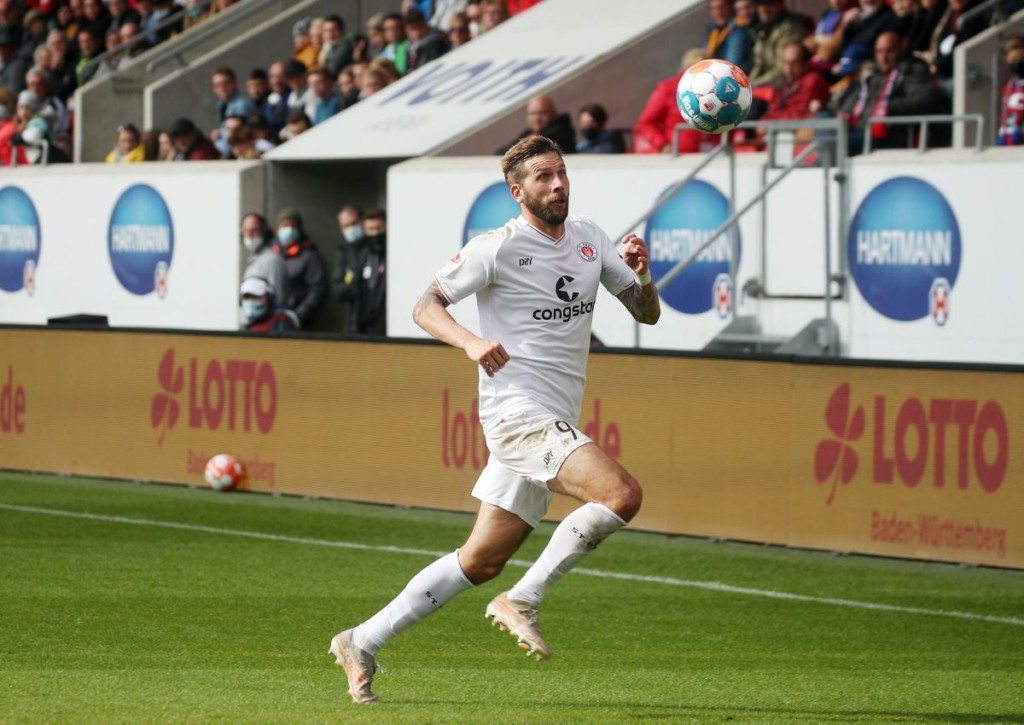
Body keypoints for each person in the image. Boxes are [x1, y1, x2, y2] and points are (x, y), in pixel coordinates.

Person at [328, 135, 660, 705]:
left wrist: (643, 275)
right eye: (543, 178)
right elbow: (425, 305)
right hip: (517, 415)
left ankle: (361, 640)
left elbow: (646, 314)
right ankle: (523, 600)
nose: (557, 185)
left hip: (551, 416)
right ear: (518, 191)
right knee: (620, 494)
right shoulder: (498, 247)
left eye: (561, 173)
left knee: (480, 561)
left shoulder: (589, 238)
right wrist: (471, 342)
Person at [828, 30, 948, 154]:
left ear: (901, 49)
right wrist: (846, 112)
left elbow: (925, 100)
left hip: (892, 135)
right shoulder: (873, 75)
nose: (883, 57)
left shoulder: (913, 71)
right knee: (825, 124)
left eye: (889, 51)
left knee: (840, 144)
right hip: (862, 129)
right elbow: (855, 99)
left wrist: (888, 106)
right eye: (879, 52)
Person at [633, 49, 718, 154]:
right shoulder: (667, 88)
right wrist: (663, 145)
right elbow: (646, 123)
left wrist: (720, 143)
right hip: (678, 156)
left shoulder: (717, 90)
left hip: (712, 156)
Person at [272, 207, 329, 329]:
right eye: (284, 225)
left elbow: (318, 288)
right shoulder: (272, 255)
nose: (289, 230)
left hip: (299, 322)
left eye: (293, 226)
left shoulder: (309, 256)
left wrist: (298, 315)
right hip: (273, 321)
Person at [747, 0, 814, 88]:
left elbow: (782, 71)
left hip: (785, 87)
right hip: (764, 86)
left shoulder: (790, 27)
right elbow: (758, 65)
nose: (764, 9)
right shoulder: (764, 26)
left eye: (769, 3)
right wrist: (746, 85)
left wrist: (751, 86)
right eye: (760, 4)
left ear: (781, 4)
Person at [496, 94, 576, 155]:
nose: (537, 118)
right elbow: (503, 152)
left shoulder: (562, 133)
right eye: (532, 114)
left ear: (553, 113)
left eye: (542, 113)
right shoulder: (528, 133)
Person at [210, 66, 257, 157]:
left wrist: (217, 140)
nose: (222, 88)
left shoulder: (241, 105)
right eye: (217, 85)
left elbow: (232, 139)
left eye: (225, 83)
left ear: (234, 82)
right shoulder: (222, 104)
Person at [706, 0, 754, 73]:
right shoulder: (713, 30)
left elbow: (731, 67)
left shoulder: (738, 28)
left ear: (731, 7)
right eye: (714, 9)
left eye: (722, 7)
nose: (719, 12)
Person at [997, 35, 1024, 146]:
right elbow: (1005, 113)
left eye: (1019, 59)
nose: (1016, 63)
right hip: (1009, 138)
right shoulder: (1008, 87)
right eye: (1012, 60)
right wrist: (1002, 132)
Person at [404, 7, 449, 72]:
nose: (417, 32)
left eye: (419, 27)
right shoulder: (409, 46)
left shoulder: (436, 40)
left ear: (425, 24)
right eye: (413, 29)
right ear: (406, 31)